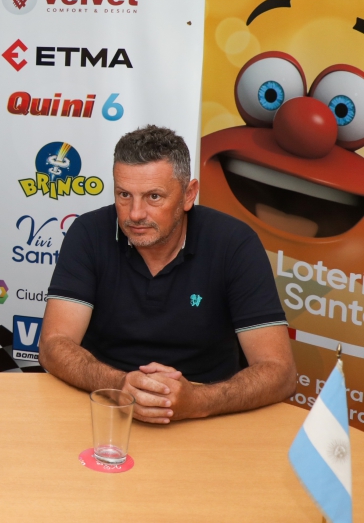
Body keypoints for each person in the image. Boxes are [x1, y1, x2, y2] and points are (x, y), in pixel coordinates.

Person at [40, 125, 296, 424]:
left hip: (208, 412)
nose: (135, 214)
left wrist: (197, 401)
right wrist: (120, 385)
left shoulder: (234, 243)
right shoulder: (89, 233)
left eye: (154, 197)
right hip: (106, 404)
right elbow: (53, 345)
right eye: (124, 194)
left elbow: (281, 372)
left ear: (189, 194)